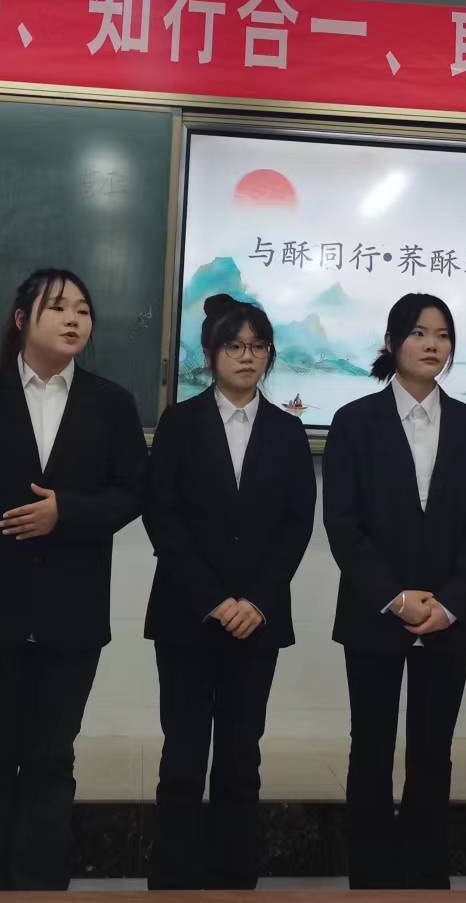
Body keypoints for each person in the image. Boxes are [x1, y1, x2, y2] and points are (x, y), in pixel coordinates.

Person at [0, 268, 147, 892]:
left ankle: (41, 889)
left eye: (83, 311)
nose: (74, 320)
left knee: (51, 759)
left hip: (72, 612)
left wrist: (67, 512)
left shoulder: (112, 403)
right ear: (22, 320)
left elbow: (133, 494)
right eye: (59, 308)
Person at [322, 293, 466, 890]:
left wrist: (450, 603)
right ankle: (370, 874)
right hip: (373, 613)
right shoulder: (354, 422)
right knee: (370, 746)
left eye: (443, 335)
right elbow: (343, 525)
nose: (432, 345)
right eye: (420, 333)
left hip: (449, 618)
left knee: (433, 750)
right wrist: (395, 597)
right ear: (393, 341)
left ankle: (426, 873)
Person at [142, 294, 317, 890]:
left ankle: (235, 875)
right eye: (235, 346)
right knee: (183, 751)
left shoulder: (288, 432)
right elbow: (162, 518)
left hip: (257, 619)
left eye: (258, 346)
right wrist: (214, 600)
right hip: (187, 615)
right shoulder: (179, 422)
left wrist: (256, 601)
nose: (248, 356)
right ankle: (174, 874)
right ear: (211, 354)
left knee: (242, 753)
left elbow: (296, 526)